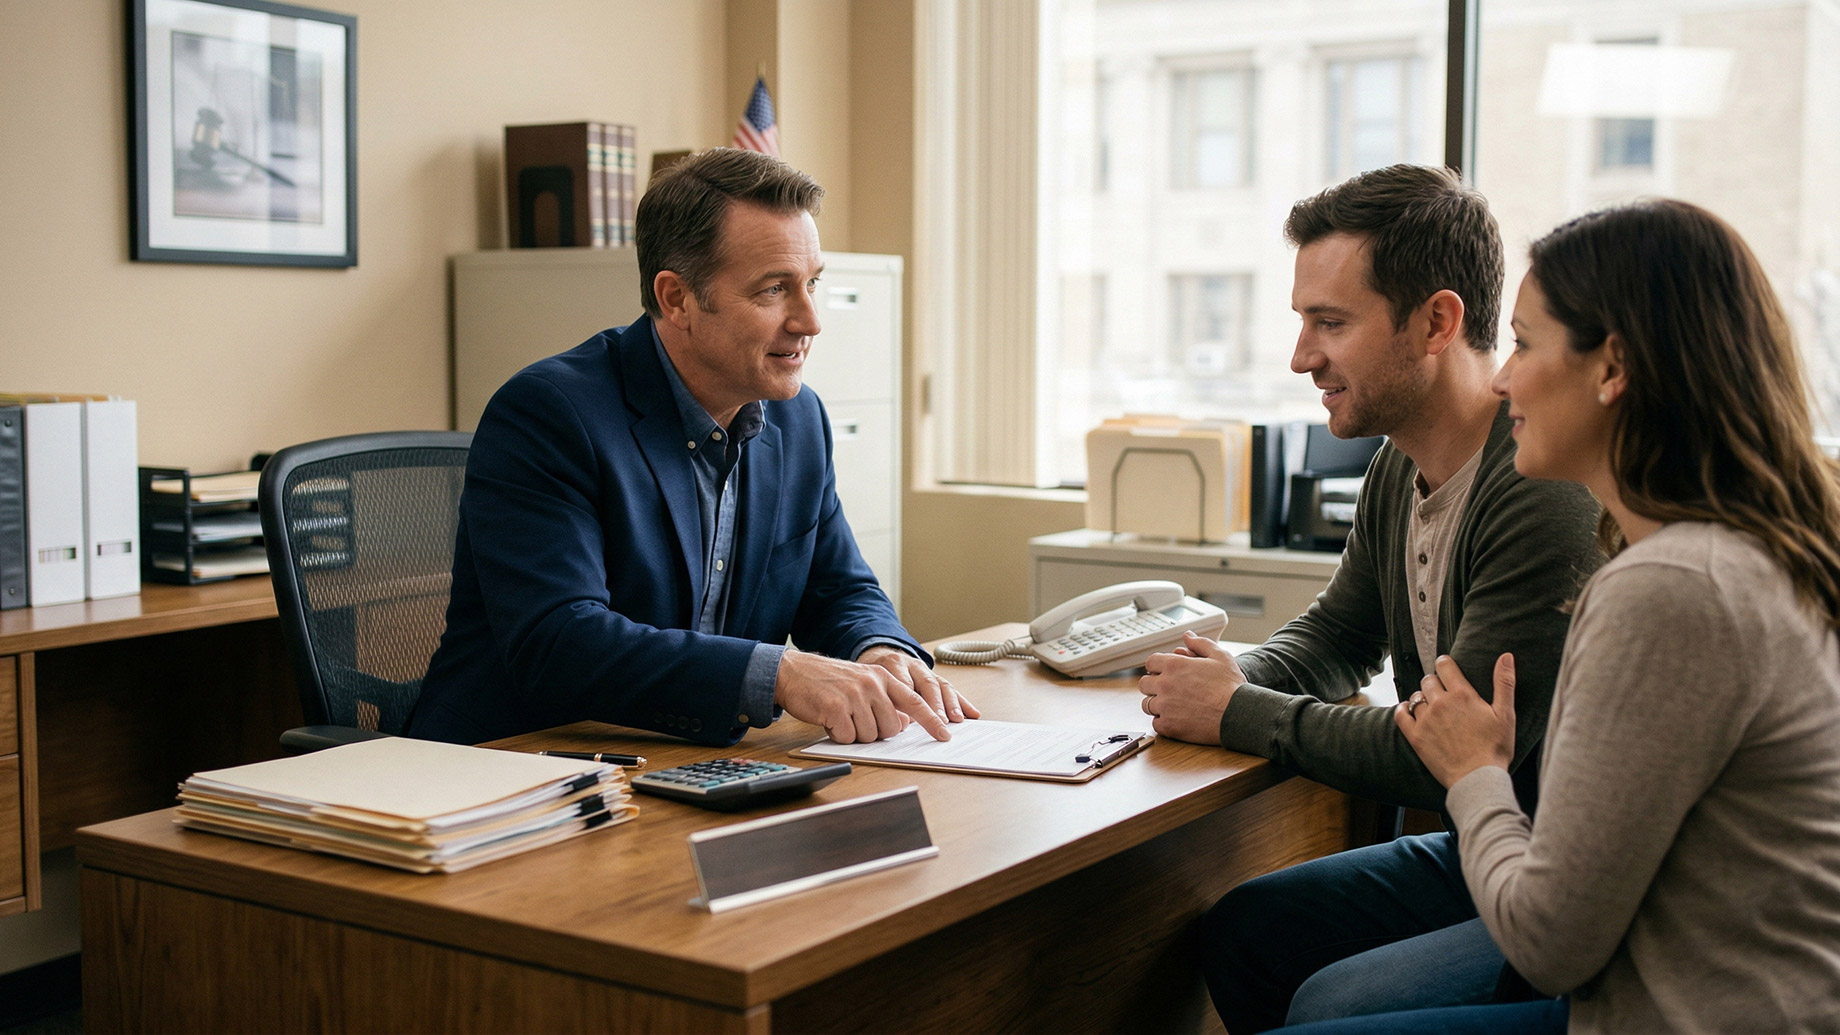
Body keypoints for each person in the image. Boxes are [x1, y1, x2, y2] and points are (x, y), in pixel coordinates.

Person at [1282, 199, 1840, 1033]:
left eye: (1526, 343)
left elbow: (1549, 945)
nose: (1502, 377)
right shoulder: (1743, 547)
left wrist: (1473, 771)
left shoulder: (1671, 588)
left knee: (1325, 1012)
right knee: (1261, 932)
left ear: (1611, 369)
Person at [1135, 165, 1604, 1031]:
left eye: (1331, 322)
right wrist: (1219, 675)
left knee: (1330, 1000)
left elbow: (1441, 744)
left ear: (1437, 320)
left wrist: (1237, 709)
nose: (1301, 355)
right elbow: (1341, 634)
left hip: (1548, 872)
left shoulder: (1540, 487)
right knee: (1246, 932)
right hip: (1479, 844)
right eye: (1303, 320)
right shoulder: (1400, 462)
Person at [407, 148, 974, 747]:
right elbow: (560, 642)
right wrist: (777, 672)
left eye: (812, 284)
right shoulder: (549, 414)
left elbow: (839, 587)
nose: (810, 321)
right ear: (676, 298)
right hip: (518, 768)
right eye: (774, 290)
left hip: (681, 763)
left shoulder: (797, 419)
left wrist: (878, 648)